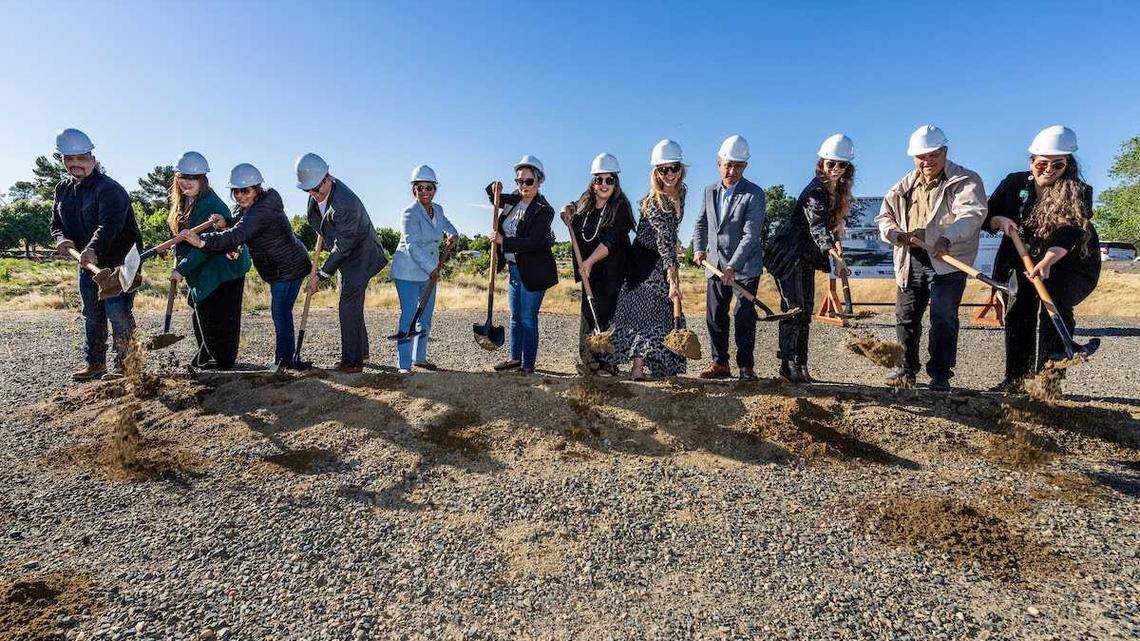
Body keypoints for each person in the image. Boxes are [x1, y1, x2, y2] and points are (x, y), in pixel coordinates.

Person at [986, 126, 1100, 393]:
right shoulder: (1013, 184)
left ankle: (1048, 382)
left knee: (1054, 304)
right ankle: (1017, 378)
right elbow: (988, 215)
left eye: (1057, 165)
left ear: (1068, 164)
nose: (1048, 170)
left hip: (1069, 262)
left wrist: (1048, 260)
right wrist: (997, 219)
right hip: (1020, 258)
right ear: (1031, 162)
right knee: (1019, 312)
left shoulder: (1079, 191)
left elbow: (1069, 230)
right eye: (1042, 163)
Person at [875, 125, 987, 391]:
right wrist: (896, 235)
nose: (926, 162)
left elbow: (971, 215)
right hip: (911, 259)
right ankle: (906, 369)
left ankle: (940, 374)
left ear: (944, 152)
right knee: (906, 316)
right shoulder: (904, 185)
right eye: (920, 157)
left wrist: (947, 238)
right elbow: (884, 217)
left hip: (947, 261)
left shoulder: (965, 181)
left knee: (943, 317)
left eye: (932, 155)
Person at [179, 164, 312, 370]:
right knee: (280, 312)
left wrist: (202, 241)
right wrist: (226, 222)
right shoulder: (251, 207)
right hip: (278, 268)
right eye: (236, 191)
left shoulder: (263, 209)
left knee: (280, 312)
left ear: (256, 188)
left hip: (289, 268)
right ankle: (284, 360)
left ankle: (285, 362)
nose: (240, 196)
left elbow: (237, 235)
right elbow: (240, 224)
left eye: (245, 191)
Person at [48, 128, 143, 381]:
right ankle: (96, 363)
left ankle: (127, 367)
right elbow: (56, 223)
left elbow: (109, 225)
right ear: (63, 160)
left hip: (119, 262)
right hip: (88, 263)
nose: (75, 164)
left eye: (80, 158)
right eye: (70, 159)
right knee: (92, 313)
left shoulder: (109, 189)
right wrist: (62, 239)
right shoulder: (63, 189)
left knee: (117, 311)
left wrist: (92, 249)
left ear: (92, 157)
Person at [766, 134, 856, 383]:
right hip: (788, 255)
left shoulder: (834, 191)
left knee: (805, 310)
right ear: (821, 163)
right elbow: (816, 225)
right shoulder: (815, 191)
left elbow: (825, 225)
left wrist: (838, 224)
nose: (836, 169)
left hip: (804, 256)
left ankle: (801, 364)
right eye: (831, 164)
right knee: (793, 310)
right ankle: (788, 365)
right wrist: (833, 253)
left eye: (841, 165)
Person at [296, 153, 388, 375]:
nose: (313, 194)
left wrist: (321, 274)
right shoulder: (315, 193)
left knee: (347, 304)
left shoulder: (345, 203)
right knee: (352, 303)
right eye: (308, 190)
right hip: (346, 254)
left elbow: (344, 245)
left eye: (317, 188)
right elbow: (321, 224)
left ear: (328, 177)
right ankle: (362, 351)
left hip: (361, 256)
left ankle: (353, 362)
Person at [608, 139, 688, 380]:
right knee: (646, 314)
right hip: (643, 266)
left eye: (673, 167)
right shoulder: (654, 202)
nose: (669, 174)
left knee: (662, 315)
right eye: (663, 169)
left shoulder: (682, 193)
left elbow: (668, 234)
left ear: (681, 168)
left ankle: (655, 364)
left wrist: (676, 243)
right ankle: (637, 368)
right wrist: (673, 281)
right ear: (656, 172)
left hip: (662, 262)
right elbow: (662, 242)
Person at [691, 135, 767, 381]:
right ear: (719, 163)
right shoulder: (708, 191)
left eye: (738, 166)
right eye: (728, 165)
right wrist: (699, 249)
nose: (732, 170)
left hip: (743, 268)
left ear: (745, 167)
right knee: (714, 316)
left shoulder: (754, 194)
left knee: (744, 315)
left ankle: (746, 367)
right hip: (714, 265)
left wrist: (733, 265)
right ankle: (720, 364)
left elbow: (750, 235)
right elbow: (701, 224)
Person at [168, 151, 250, 370]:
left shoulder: (212, 206)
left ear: (203, 179)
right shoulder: (184, 202)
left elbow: (206, 247)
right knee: (201, 315)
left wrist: (182, 269)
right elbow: (184, 241)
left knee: (219, 320)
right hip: (203, 271)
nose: (187, 181)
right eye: (183, 176)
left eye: (193, 177)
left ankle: (221, 365)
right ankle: (206, 358)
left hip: (222, 271)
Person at [560, 153, 634, 375]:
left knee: (607, 313)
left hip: (613, 270)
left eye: (609, 180)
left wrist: (590, 260)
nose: (603, 185)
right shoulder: (586, 200)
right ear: (592, 182)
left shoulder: (620, 206)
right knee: (588, 313)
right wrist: (567, 208)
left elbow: (610, 240)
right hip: (588, 270)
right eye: (598, 180)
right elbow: (571, 207)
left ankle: (607, 363)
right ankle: (589, 362)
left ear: (615, 182)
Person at [485, 155, 558, 374]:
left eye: (528, 181)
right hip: (514, 271)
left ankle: (528, 366)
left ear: (539, 181)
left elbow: (533, 242)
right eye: (519, 181)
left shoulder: (544, 210)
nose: (523, 186)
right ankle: (514, 360)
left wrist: (503, 241)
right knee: (515, 318)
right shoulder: (514, 200)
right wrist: (493, 188)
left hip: (534, 273)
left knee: (528, 319)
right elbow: (495, 199)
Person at [390, 164, 458, 374]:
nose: (425, 192)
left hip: (430, 271)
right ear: (414, 190)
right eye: (420, 188)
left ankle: (420, 358)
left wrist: (453, 234)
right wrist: (431, 268)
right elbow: (412, 245)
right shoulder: (409, 213)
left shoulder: (438, 209)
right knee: (410, 314)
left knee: (425, 316)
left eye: (429, 188)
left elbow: (446, 224)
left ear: (435, 189)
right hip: (408, 271)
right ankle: (403, 365)